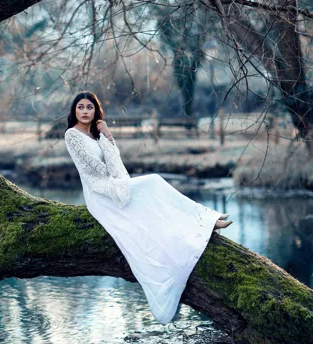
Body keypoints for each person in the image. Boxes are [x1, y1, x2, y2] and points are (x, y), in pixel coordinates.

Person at [63, 91, 232, 324]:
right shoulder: (72, 135)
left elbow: (117, 166)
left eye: (89, 107)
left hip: (113, 185)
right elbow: (96, 170)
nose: (84, 111)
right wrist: (116, 175)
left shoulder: (97, 137)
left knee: (152, 193)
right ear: (74, 110)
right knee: (153, 182)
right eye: (80, 107)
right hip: (99, 193)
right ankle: (207, 220)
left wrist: (108, 137)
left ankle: (205, 221)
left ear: (96, 111)